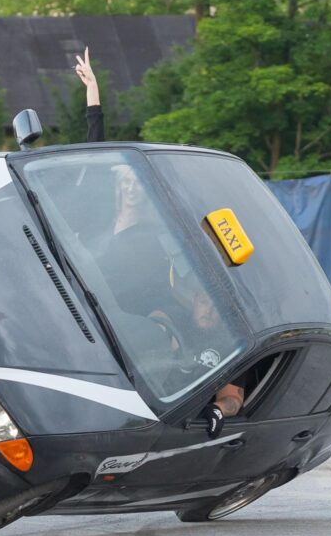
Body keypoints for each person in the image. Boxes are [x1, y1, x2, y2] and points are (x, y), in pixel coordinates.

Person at [76, 47, 244, 437]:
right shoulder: (99, 218)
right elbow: (93, 153)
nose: (131, 189)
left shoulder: (157, 238)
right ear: (117, 185)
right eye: (126, 182)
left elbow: (168, 298)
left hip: (122, 323)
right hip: (80, 302)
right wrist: (93, 96)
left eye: (138, 184)